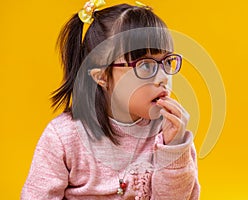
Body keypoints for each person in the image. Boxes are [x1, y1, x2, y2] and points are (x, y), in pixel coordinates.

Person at [21, 1, 200, 199]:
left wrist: (173, 150)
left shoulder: (169, 134)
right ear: (102, 77)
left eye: (167, 62)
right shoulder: (64, 138)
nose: (164, 77)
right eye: (146, 66)